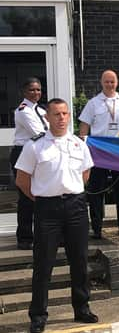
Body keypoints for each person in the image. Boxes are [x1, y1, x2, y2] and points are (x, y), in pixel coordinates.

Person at [15, 98, 99, 333]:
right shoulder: (35, 146)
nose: (61, 118)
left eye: (65, 114)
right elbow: (22, 180)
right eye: (56, 114)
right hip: (47, 210)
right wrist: (44, 198)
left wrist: (67, 194)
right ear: (47, 117)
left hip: (76, 208)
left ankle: (82, 308)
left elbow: (85, 175)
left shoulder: (78, 144)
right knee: (43, 264)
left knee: (80, 261)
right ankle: (38, 316)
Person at [79, 70, 119, 239]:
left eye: (112, 81)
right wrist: (84, 149)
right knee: (97, 190)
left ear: (117, 82)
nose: (110, 84)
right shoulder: (93, 103)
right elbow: (84, 128)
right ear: (101, 82)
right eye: (107, 81)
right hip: (99, 151)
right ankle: (97, 228)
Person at [10, 77, 49, 251]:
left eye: (39, 90)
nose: (36, 93)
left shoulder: (40, 110)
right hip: (23, 154)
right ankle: (25, 238)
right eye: (32, 90)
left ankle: (44, 235)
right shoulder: (23, 110)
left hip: (38, 154)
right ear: (24, 92)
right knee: (26, 197)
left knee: (41, 195)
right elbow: (41, 132)